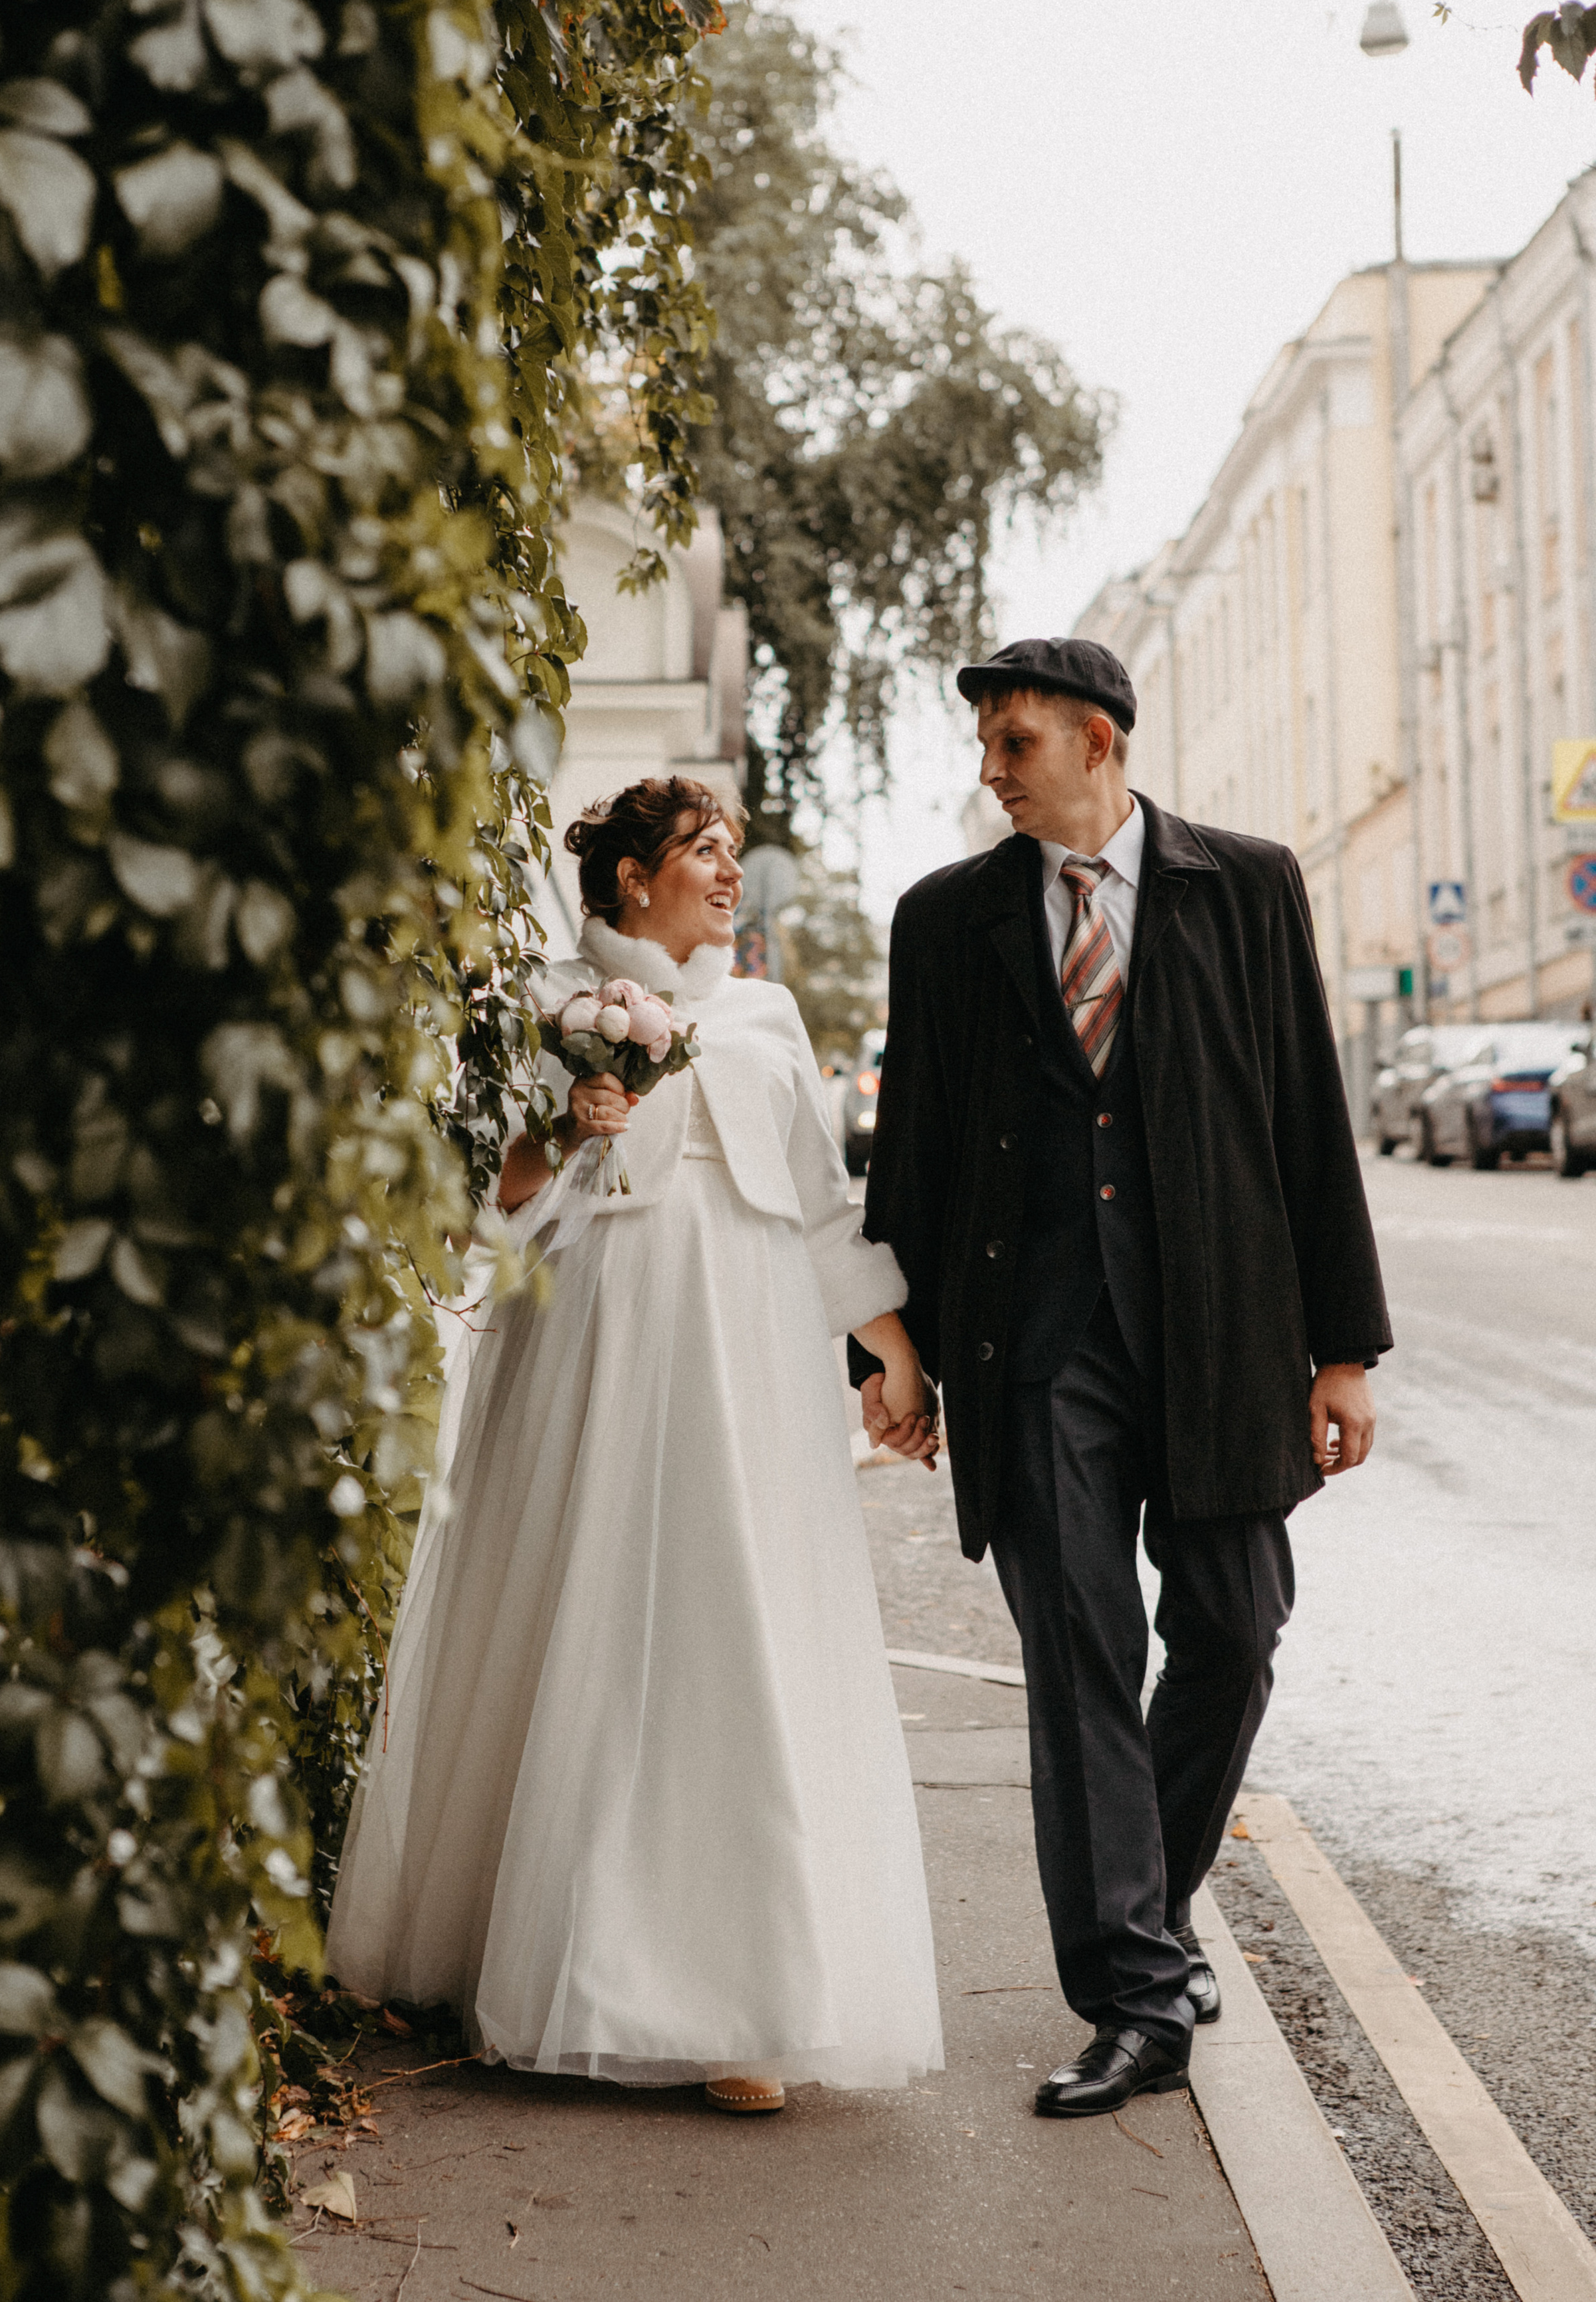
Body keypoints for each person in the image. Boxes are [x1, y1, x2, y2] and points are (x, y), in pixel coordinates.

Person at [326, 777, 944, 2115]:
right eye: (701, 853)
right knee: (583, 1618)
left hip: (750, 1348)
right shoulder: (546, 1005)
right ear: (628, 881)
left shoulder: (766, 1012)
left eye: (732, 853)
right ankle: (545, 1965)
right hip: (599, 1336)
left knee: (738, 1623)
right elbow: (481, 1201)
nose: (726, 873)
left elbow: (823, 1211)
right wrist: (563, 1126)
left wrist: (887, 1348)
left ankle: (748, 2006)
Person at [852, 636, 1391, 2119]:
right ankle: (1134, 1995)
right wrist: (888, 1352)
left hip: (1219, 1333)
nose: (989, 771)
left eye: (1012, 743)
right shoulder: (943, 919)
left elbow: (1303, 1116)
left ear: (1097, 741)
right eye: (982, 745)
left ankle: (1142, 1910)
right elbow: (919, 1147)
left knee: (1232, 1626)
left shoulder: (1247, 886)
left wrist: (1337, 1348)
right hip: (1032, 1347)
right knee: (1081, 1658)